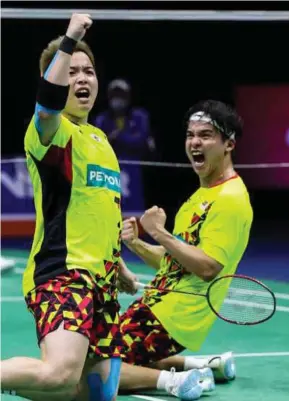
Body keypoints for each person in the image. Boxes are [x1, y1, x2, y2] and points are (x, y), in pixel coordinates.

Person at [1, 13, 138, 401]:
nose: (82, 78)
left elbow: (100, 212)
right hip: (63, 273)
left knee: (96, 393)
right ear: (56, 80)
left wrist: (120, 267)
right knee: (60, 374)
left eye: (89, 71)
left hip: (102, 282)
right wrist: (70, 38)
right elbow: (45, 109)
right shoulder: (53, 132)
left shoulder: (100, 140)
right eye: (72, 71)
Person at [117, 99, 253, 399]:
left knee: (93, 367)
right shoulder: (202, 195)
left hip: (174, 316)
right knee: (123, 352)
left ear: (228, 144)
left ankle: (178, 382)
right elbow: (175, 263)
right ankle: (206, 366)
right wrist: (137, 243)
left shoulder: (230, 199)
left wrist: (159, 233)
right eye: (191, 135)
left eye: (205, 135)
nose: (194, 142)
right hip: (158, 305)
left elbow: (207, 268)